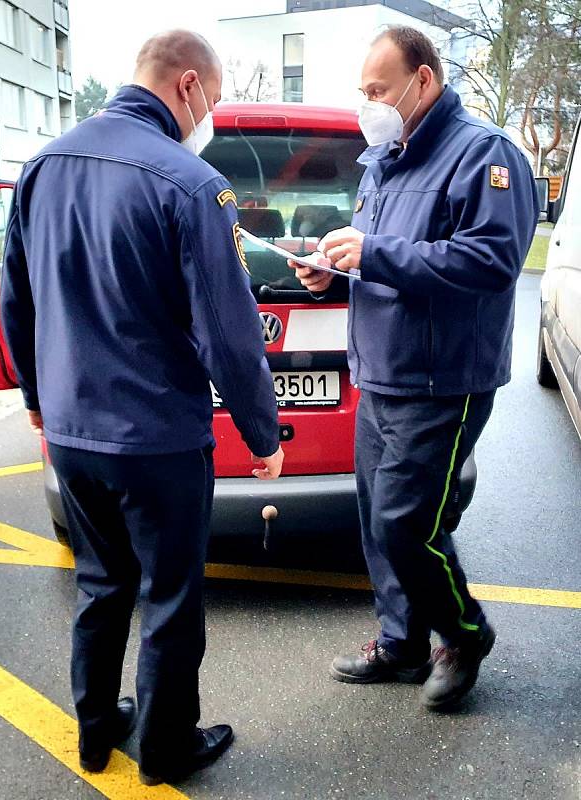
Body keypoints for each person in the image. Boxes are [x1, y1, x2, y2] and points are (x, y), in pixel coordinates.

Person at [0, 29, 284, 785]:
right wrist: (264, 433)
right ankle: (165, 748)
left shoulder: (43, 167)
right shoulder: (191, 184)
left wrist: (36, 398)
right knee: (169, 597)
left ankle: (95, 731)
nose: (210, 116)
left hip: (72, 430)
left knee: (101, 585)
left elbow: (13, 301)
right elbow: (231, 331)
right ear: (188, 86)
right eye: (215, 100)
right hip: (157, 438)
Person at [290, 27, 538, 709]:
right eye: (363, 91)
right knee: (378, 521)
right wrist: (333, 272)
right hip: (381, 372)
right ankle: (400, 644)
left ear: (422, 81)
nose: (367, 103)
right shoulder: (383, 161)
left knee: (408, 523)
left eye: (377, 90)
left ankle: (463, 635)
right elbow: (379, 258)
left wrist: (371, 255)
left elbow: (490, 263)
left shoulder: (484, 155)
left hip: (443, 380)